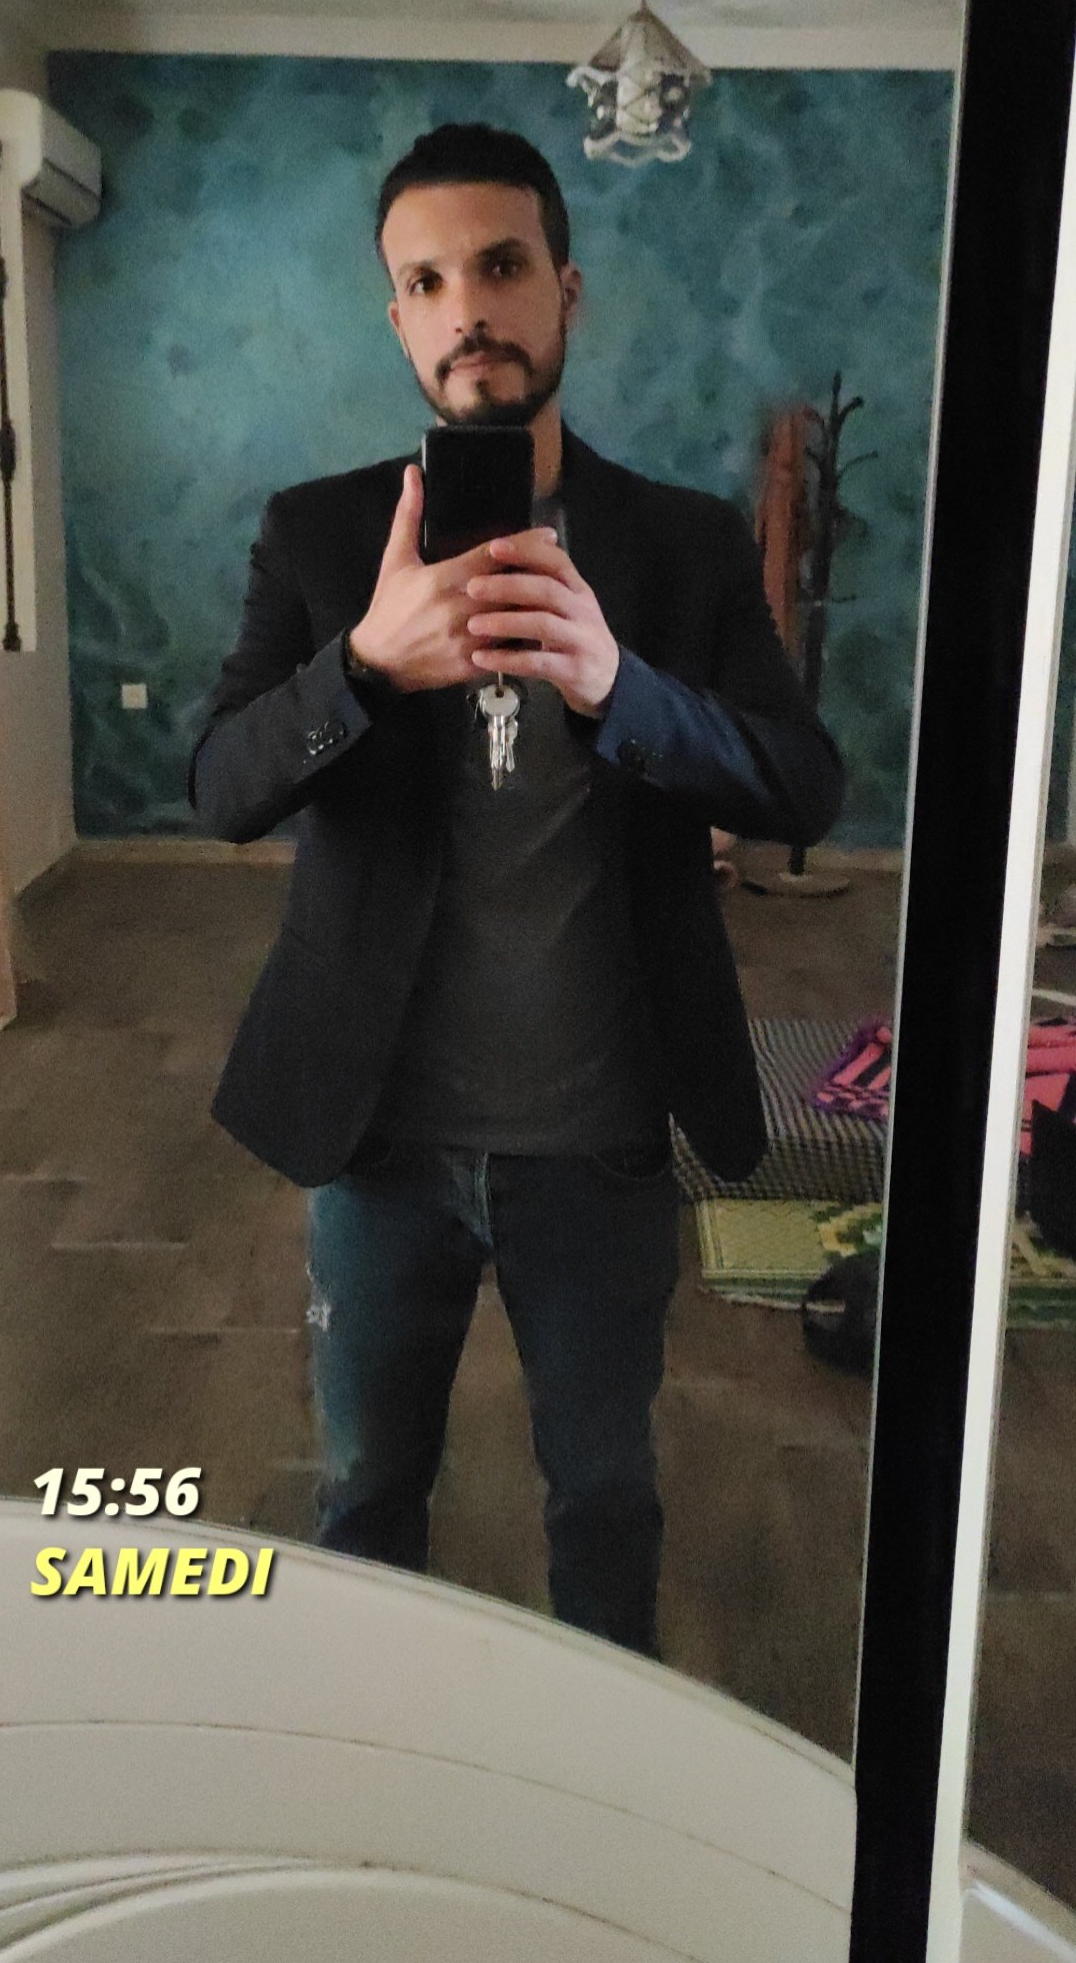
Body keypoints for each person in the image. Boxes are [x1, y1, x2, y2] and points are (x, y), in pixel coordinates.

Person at [189, 122, 844, 1659]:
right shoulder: (320, 534)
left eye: (499, 265)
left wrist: (622, 684)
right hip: (380, 1141)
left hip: (600, 1143)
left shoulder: (681, 543)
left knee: (605, 1500)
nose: (466, 307)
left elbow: (803, 787)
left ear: (566, 289)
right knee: (365, 1493)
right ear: (397, 318)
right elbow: (220, 788)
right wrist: (362, 664)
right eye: (426, 281)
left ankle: (602, 1757)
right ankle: (380, 1750)